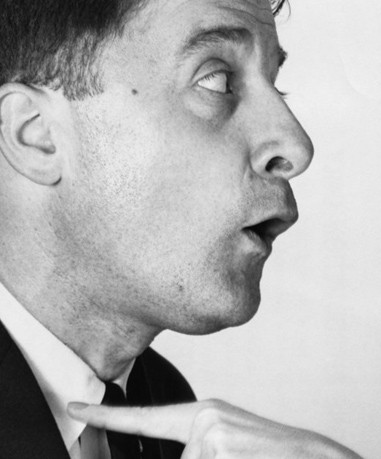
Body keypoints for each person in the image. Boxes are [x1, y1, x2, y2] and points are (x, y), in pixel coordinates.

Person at [0, 0, 359, 457]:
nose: (296, 144)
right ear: (36, 134)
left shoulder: (170, 407)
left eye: (276, 86)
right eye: (217, 80)